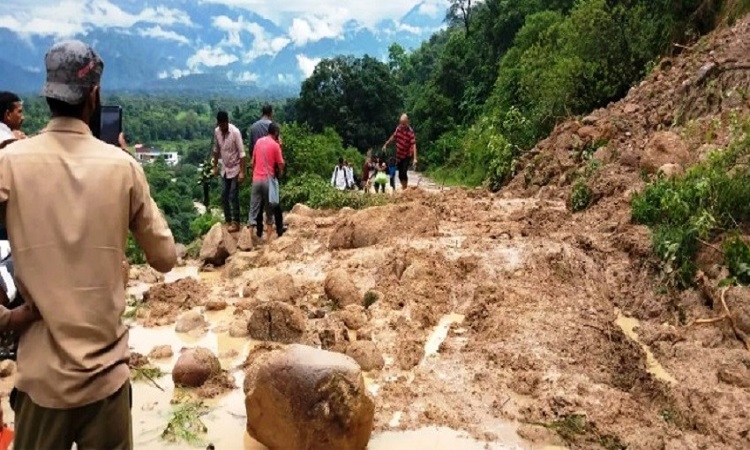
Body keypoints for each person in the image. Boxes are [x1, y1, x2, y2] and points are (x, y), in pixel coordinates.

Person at [0, 39, 177, 449]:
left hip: (41, 385)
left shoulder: (10, 163)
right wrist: (128, 168)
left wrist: (9, 319)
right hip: (106, 385)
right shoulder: (123, 168)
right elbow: (166, 258)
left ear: (47, 95)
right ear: (93, 95)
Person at [248, 104, 282, 233]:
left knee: (256, 204)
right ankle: (278, 229)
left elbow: (251, 150)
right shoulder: (274, 127)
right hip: (270, 173)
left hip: (258, 171)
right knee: (273, 201)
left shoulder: (253, 127)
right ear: (271, 113)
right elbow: (278, 148)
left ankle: (258, 231)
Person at [212, 111, 246, 232]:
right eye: (220, 125)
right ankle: (228, 221)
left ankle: (236, 222)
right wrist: (215, 166)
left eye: (223, 125)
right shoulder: (217, 132)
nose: (222, 128)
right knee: (224, 195)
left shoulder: (235, 132)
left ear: (227, 121)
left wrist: (242, 172)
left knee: (233, 195)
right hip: (225, 168)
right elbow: (216, 150)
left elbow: (242, 154)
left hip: (236, 167)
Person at [251, 122, 286, 239]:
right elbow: (281, 163)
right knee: (269, 212)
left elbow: (252, 162)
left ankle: (249, 238)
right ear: (276, 133)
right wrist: (280, 174)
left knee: (254, 210)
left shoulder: (259, 142)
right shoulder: (275, 145)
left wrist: (255, 173)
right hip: (268, 180)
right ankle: (268, 242)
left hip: (256, 179)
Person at [382, 113, 418, 190]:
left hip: (407, 155)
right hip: (399, 155)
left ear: (407, 122)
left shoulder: (410, 131)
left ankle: (405, 188)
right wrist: (386, 144)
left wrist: (415, 158)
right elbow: (393, 137)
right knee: (400, 175)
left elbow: (414, 144)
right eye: (401, 123)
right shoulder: (398, 128)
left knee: (404, 172)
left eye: (404, 124)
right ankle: (404, 187)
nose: (402, 125)